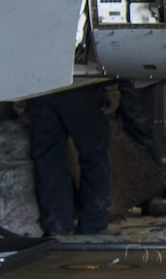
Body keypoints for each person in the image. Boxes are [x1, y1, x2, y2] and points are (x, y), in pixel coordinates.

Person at [26, 81, 113, 238]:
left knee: (48, 160)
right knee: (94, 156)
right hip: (79, 83)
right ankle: (94, 226)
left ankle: (57, 227)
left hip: (41, 85)